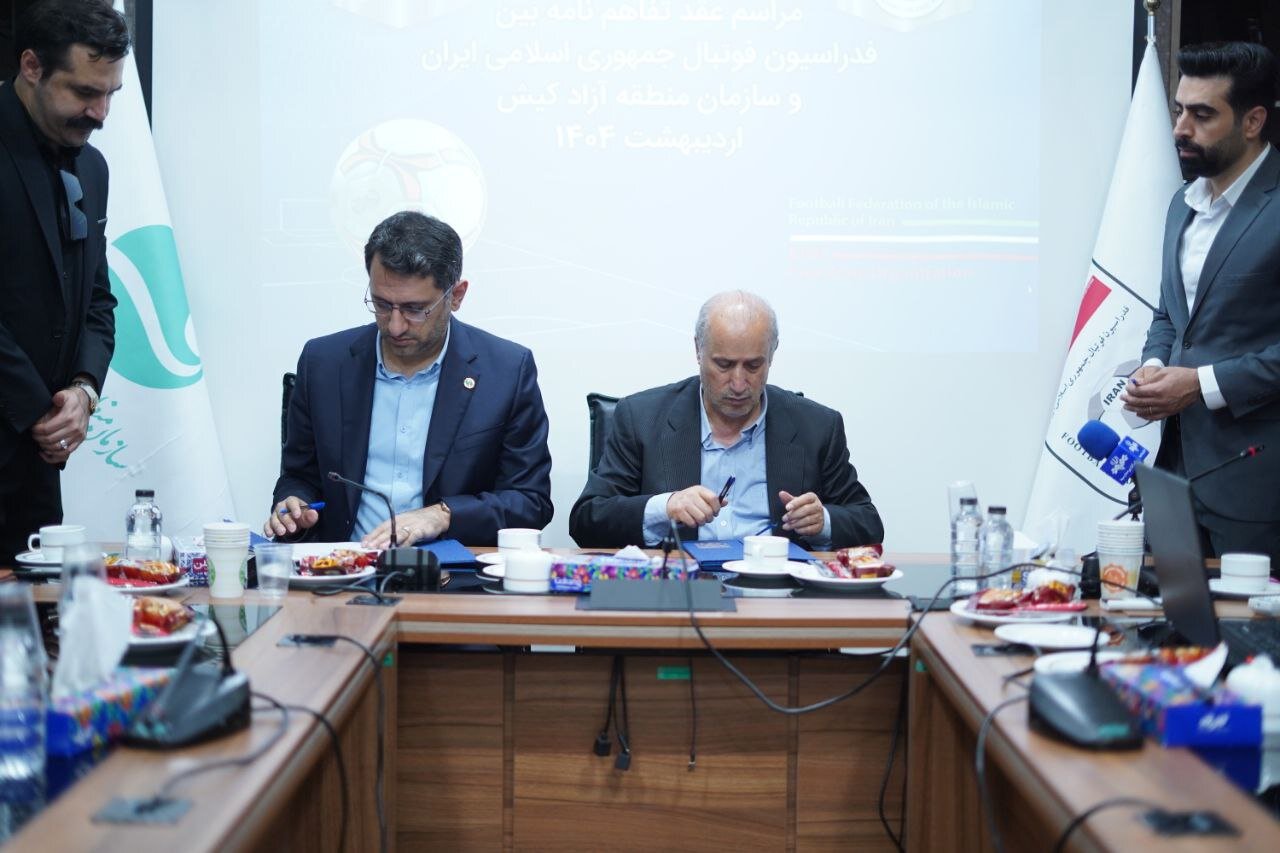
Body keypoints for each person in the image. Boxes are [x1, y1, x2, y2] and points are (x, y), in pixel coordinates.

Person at [266, 211, 553, 547]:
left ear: (456, 296)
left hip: (451, 570)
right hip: (345, 566)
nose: (395, 326)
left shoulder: (505, 371)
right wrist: (294, 504)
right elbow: (300, 476)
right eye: (382, 304)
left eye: (415, 309)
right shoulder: (323, 363)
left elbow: (529, 502)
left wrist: (444, 514)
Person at [1123, 41, 1280, 571]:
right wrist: (1154, 366)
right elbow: (1171, 315)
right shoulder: (1181, 203)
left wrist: (1201, 384)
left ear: (1253, 121)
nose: (1180, 129)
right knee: (1166, 619)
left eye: (1202, 115)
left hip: (1258, 490)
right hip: (1173, 475)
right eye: (1178, 111)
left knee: (1249, 625)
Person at [569, 290, 882, 549]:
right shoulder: (641, 418)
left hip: (777, 589)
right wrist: (664, 507)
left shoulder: (816, 426)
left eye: (753, 366)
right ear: (698, 350)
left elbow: (868, 522)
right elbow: (586, 521)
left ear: (772, 354)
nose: (739, 383)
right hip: (680, 588)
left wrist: (823, 521)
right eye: (724, 365)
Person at [0, 0, 129, 566]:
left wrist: (83, 391)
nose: (100, 113)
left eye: (110, 95)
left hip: (38, 464)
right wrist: (37, 408)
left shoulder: (93, 167)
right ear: (32, 66)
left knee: (43, 615)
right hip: (30, 424)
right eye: (84, 92)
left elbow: (97, 298)